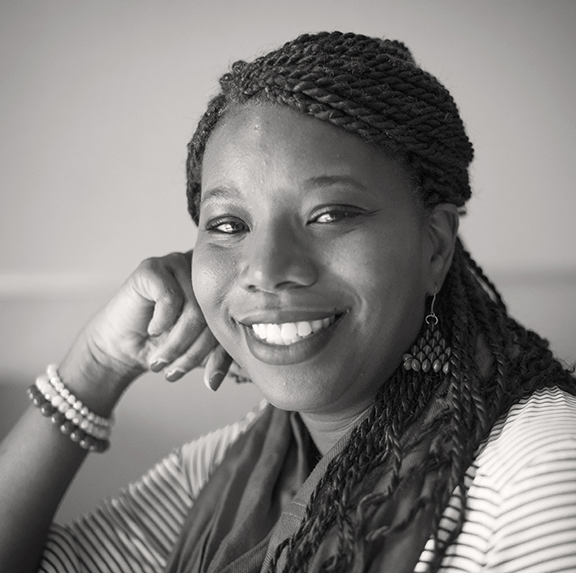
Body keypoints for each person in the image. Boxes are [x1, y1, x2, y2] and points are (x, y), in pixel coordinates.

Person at [1, 31, 575, 573]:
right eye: (228, 223)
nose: (267, 270)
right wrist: (95, 368)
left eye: (328, 215)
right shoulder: (233, 467)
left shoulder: (540, 471)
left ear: (436, 245)